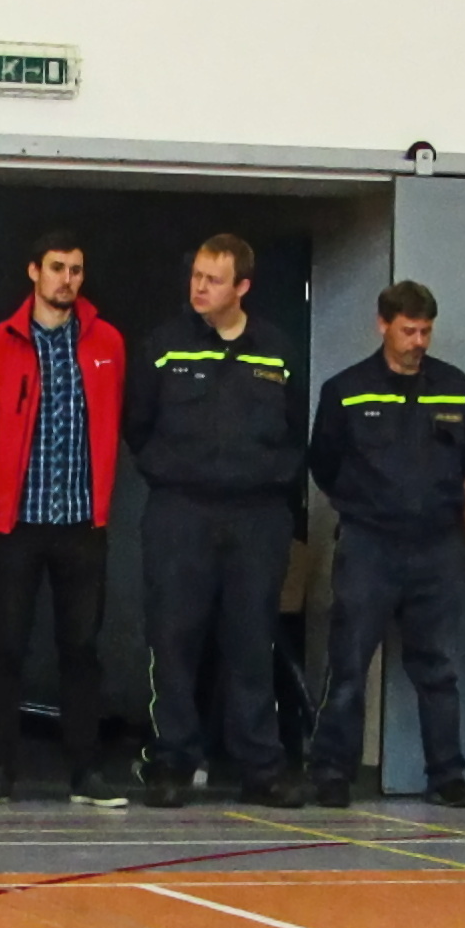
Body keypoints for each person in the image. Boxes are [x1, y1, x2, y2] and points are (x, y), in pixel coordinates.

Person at [124, 232, 307, 808]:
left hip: (257, 517)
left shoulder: (276, 349)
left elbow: (297, 431)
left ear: (242, 287)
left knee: (252, 641)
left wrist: (267, 478)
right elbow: (137, 426)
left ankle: (260, 766)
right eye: (196, 275)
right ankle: (173, 763)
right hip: (181, 512)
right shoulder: (164, 345)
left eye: (214, 279)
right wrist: (176, 472)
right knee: (173, 639)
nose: (199, 287)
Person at [0, 230, 127, 808]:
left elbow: (114, 417)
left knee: (81, 648)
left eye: (76, 269)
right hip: (16, 523)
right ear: (34, 271)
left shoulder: (107, 342)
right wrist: (4, 481)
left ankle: (86, 773)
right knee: (6, 646)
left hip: (82, 520)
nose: (67, 279)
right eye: (57, 267)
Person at [305, 281, 465, 809]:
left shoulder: (453, 386)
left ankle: (446, 774)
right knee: (349, 664)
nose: (417, 342)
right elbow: (323, 462)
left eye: (425, 331)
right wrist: (364, 505)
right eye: (408, 331)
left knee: (439, 666)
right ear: (383, 324)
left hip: (437, 546)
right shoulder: (346, 389)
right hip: (369, 543)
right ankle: (332, 772)